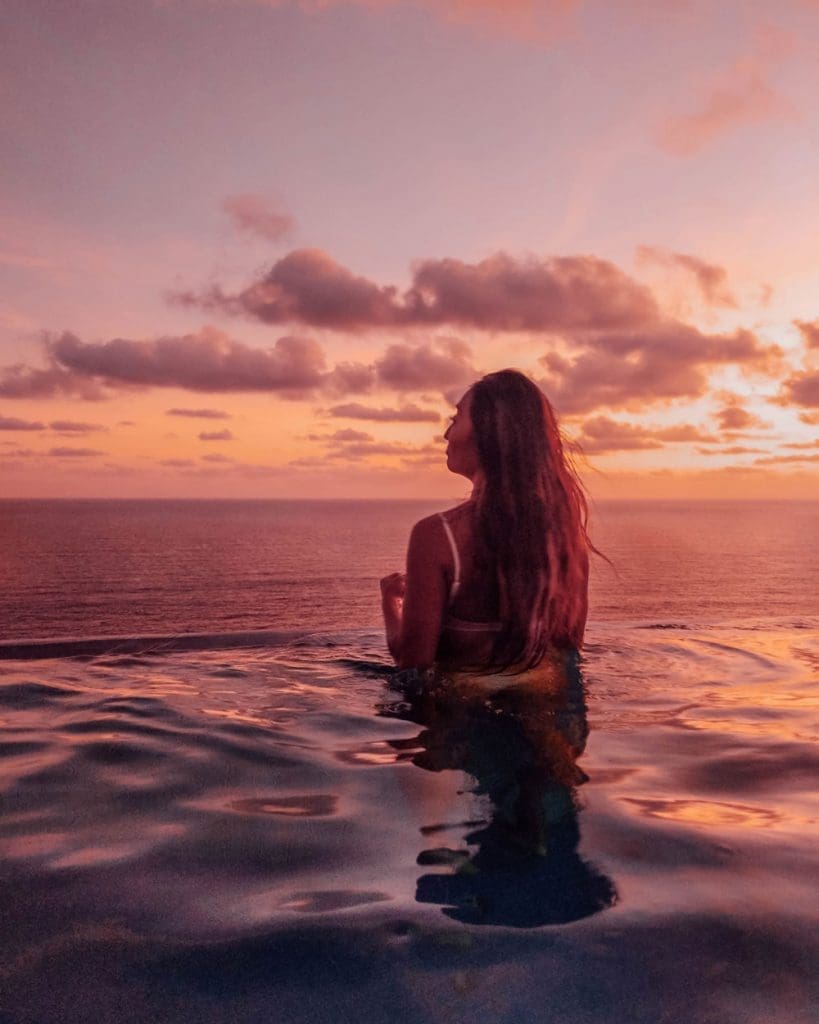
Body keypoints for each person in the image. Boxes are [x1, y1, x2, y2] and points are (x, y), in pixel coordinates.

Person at [380, 369, 592, 682]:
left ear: (486, 432)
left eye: (455, 419)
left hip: (461, 723)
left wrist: (390, 600)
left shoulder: (437, 536)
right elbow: (569, 653)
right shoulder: (565, 539)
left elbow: (412, 665)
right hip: (547, 721)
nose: (446, 434)